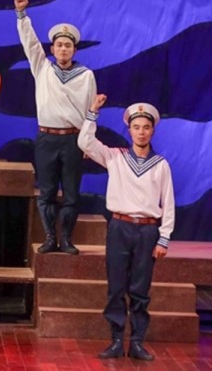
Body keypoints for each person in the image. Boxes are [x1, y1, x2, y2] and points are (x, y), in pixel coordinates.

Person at [78, 95, 175, 361]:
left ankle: (137, 342)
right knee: (116, 287)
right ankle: (116, 340)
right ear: (129, 130)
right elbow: (85, 142)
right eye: (136, 127)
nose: (141, 132)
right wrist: (93, 112)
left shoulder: (160, 165)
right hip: (119, 228)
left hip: (147, 231)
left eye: (146, 127)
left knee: (140, 290)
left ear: (152, 131)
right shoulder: (115, 157)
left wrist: (164, 238)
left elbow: (168, 204)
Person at [14, 0, 96, 255]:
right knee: (47, 192)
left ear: (74, 50)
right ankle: (50, 238)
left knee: (71, 193)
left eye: (67, 45)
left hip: (73, 140)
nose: (63, 49)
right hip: (47, 139)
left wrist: (87, 142)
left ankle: (67, 240)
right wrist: (21, 15)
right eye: (59, 45)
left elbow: (91, 111)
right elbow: (30, 43)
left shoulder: (86, 75)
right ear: (52, 49)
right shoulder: (43, 68)